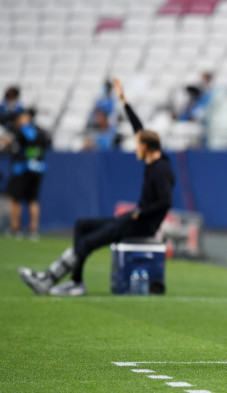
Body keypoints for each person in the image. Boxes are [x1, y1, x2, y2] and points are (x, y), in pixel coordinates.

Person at [18, 78, 175, 296]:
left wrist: (141, 213)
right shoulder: (155, 160)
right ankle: (75, 281)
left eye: (138, 145)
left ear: (146, 147)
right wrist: (124, 101)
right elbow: (140, 128)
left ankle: (48, 278)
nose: (135, 148)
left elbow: (166, 201)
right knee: (83, 225)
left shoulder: (161, 170)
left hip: (142, 225)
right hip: (134, 218)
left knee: (90, 241)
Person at [3, 111, 51, 240]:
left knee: (15, 199)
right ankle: (33, 229)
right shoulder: (41, 132)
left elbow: (13, 148)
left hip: (22, 169)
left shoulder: (21, 132)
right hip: (38, 169)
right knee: (33, 200)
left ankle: (15, 228)